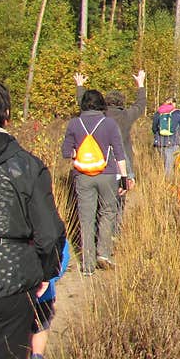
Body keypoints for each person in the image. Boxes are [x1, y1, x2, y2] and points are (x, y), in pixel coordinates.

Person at [0, 78, 66, 359]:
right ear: (6, 116)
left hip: (10, 279)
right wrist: (46, 272)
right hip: (11, 283)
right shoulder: (26, 166)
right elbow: (49, 232)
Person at [62, 89, 128, 275]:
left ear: (83, 104)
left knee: (86, 218)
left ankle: (88, 266)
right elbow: (119, 152)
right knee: (108, 212)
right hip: (107, 174)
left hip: (82, 176)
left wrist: (81, 155)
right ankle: (104, 254)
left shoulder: (74, 124)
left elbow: (66, 152)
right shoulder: (109, 124)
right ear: (101, 104)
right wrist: (123, 178)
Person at [76, 70, 146, 238]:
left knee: (100, 203)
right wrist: (141, 85)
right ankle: (114, 235)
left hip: (100, 164)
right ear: (122, 102)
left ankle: (96, 236)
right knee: (118, 202)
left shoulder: (100, 115)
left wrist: (80, 86)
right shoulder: (126, 116)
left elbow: (83, 104)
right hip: (122, 164)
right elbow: (140, 105)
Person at [23, 238, 70, 359]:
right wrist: (51, 278)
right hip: (45, 291)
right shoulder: (48, 221)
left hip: (16, 290)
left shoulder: (10, 222)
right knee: (40, 327)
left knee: (19, 333)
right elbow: (63, 253)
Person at [152, 96, 180, 175]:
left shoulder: (158, 113)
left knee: (161, 166)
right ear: (174, 104)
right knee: (169, 168)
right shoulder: (177, 113)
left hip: (159, 143)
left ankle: (159, 181)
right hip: (172, 143)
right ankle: (168, 184)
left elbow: (154, 128)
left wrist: (157, 137)